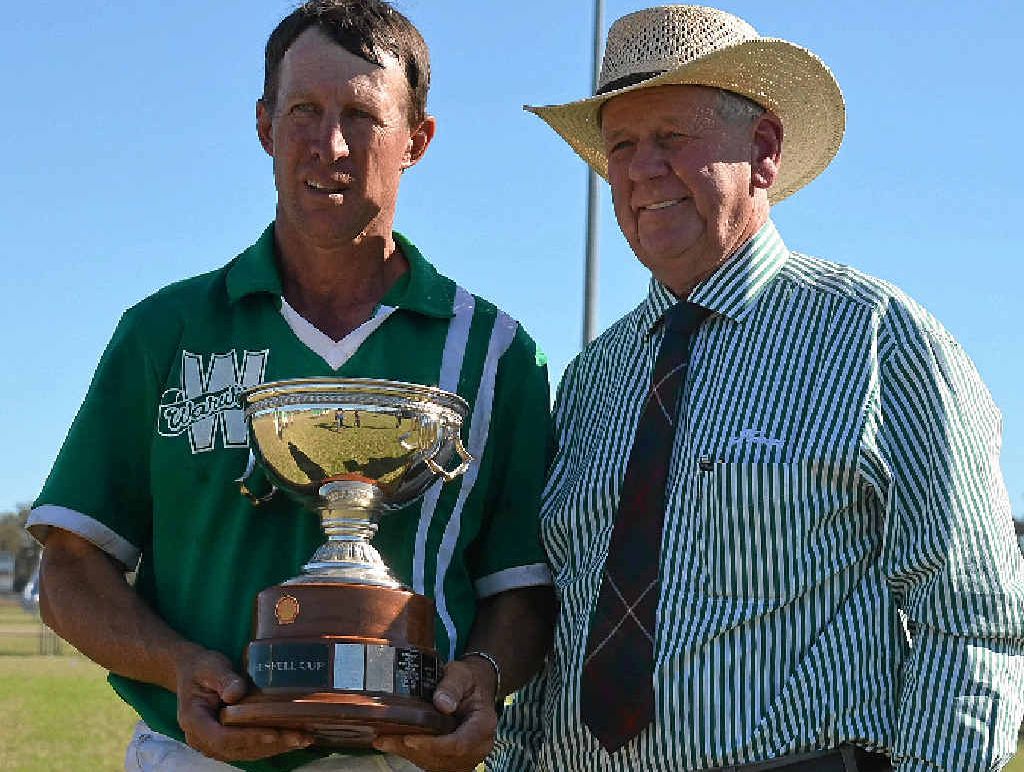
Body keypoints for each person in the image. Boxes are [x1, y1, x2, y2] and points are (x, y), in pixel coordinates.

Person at [492, 5, 1024, 772]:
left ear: (764, 151)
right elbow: (556, 644)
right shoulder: (589, 381)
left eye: (672, 139)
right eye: (623, 147)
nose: (643, 171)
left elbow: (972, 620)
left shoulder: (875, 339)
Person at [28, 2, 555, 770]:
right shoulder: (165, 330)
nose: (330, 144)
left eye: (363, 116)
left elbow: (523, 587)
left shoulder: (495, 352)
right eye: (304, 110)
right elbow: (71, 567)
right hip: (198, 756)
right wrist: (179, 666)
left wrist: (483, 676)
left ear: (418, 140)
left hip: (406, 759)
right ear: (264, 126)